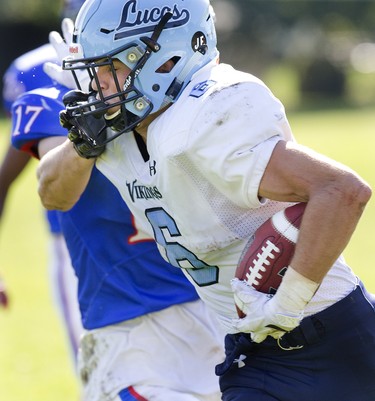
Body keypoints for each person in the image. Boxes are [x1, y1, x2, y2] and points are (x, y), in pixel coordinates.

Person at [37, 0, 375, 400]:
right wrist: (82, 143)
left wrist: (288, 303)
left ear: (163, 61)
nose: (97, 85)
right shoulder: (118, 131)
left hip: (334, 335)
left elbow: (342, 191)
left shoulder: (209, 112)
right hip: (251, 350)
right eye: (93, 71)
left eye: (109, 67)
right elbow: (52, 193)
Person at [11, 22, 225, 401]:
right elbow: (55, 191)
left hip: (217, 298)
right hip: (129, 317)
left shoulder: (192, 85)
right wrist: (87, 134)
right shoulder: (56, 93)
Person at [1, 1, 84, 363]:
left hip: (167, 233)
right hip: (78, 242)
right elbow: (6, 178)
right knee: (99, 373)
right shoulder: (35, 71)